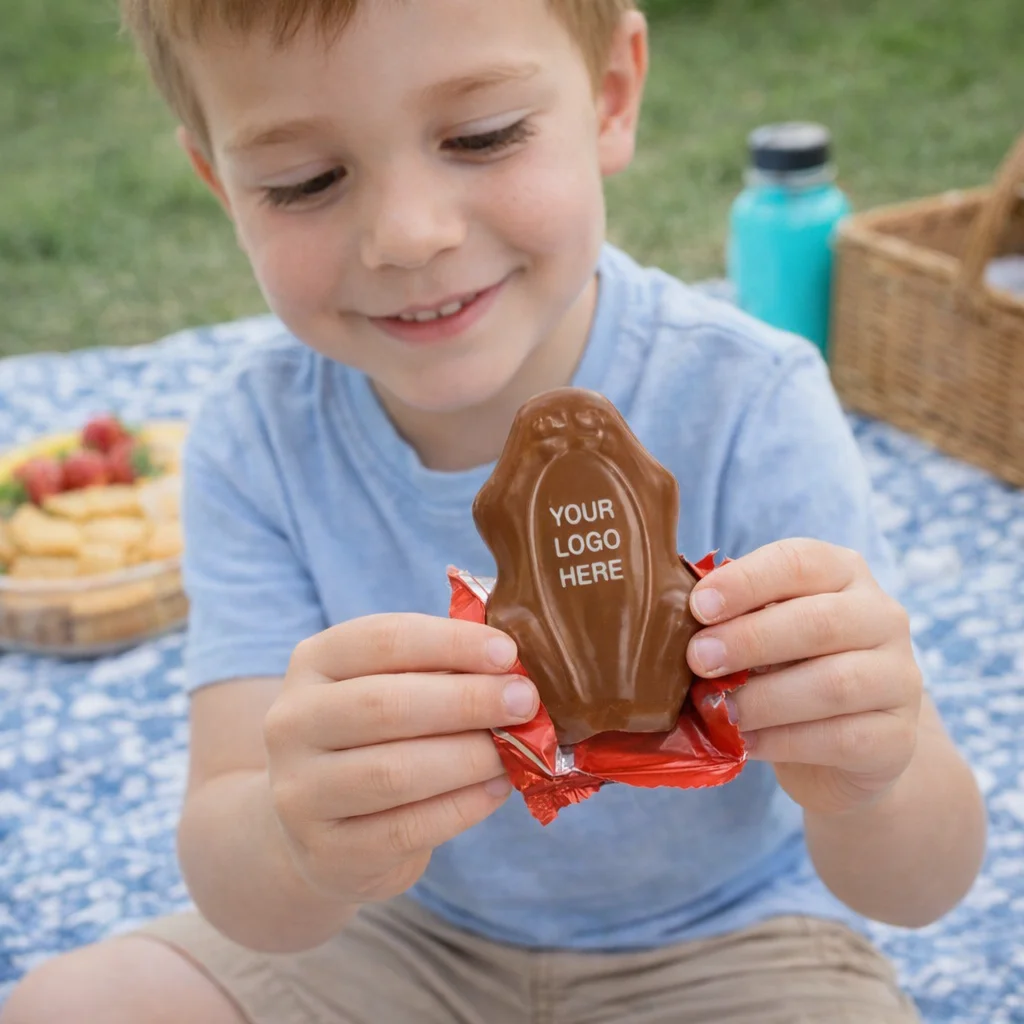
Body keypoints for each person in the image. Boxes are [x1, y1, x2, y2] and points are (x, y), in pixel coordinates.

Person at [3, 2, 986, 1022]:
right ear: (219, 181)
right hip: (395, 935)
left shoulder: (748, 399)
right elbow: (234, 871)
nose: (409, 235)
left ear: (610, 94)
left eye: (481, 136)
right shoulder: (257, 443)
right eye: (305, 181)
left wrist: (874, 767)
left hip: (731, 940)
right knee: (72, 1003)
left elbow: (924, 885)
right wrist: (298, 839)